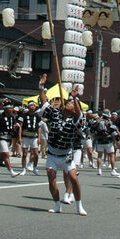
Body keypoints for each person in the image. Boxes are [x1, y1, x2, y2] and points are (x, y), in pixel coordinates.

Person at [38, 74, 87, 215]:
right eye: (69, 102)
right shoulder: (54, 113)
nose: (69, 103)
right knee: (50, 175)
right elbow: (44, 102)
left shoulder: (75, 121)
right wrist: (41, 86)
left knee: (73, 177)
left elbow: (79, 115)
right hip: (52, 153)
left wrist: (75, 98)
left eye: (71, 103)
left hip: (66, 154)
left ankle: (78, 205)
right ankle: (57, 204)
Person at [0, 100, 20, 178]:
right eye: (9, 108)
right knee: (6, 154)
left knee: (1, 156)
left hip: (8, 138)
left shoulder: (12, 117)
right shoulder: (0, 117)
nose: (10, 110)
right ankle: (11, 171)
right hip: (1, 138)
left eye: (11, 108)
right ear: (5, 109)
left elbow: (13, 128)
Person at [17, 101, 41, 175]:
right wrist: (20, 137)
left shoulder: (37, 116)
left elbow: (39, 127)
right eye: (31, 105)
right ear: (28, 107)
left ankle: (35, 168)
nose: (33, 107)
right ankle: (24, 168)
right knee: (24, 153)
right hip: (25, 136)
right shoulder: (23, 115)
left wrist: (39, 137)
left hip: (34, 136)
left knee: (36, 153)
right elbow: (20, 127)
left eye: (34, 106)